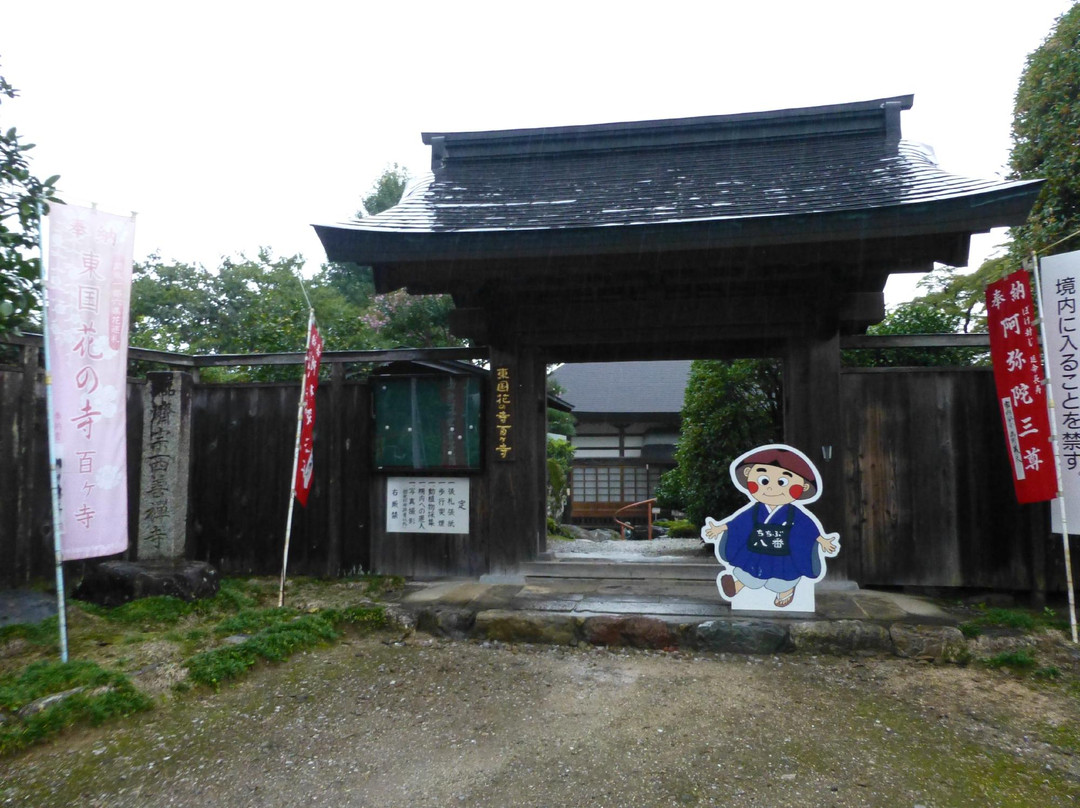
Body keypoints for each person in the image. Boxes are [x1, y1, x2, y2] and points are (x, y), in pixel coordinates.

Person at [702, 444, 838, 608]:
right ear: (748, 475)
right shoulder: (755, 510)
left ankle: (786, 592)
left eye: (782, 482)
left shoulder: (794, 514)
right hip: (758, 548)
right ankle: (736, 586)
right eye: (764, 480)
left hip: (784, 553)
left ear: (803, 487)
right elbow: (738, 523)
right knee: (751, 572)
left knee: (782, 579)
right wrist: (721, 528)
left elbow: (807, 528)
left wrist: (821, 540)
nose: (771, 487)